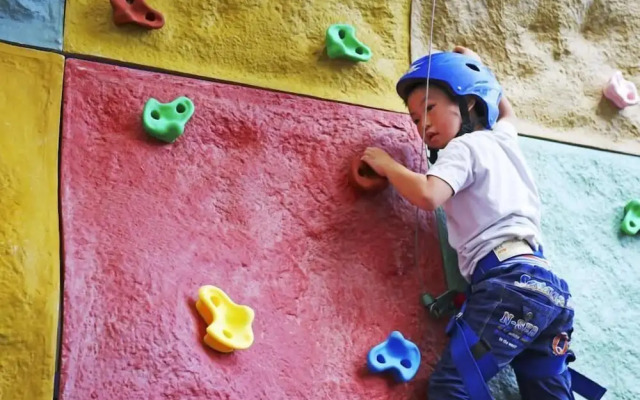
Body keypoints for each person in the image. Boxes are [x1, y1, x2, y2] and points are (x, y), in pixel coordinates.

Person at [359, 46, 605, 400]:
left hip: (507, 285)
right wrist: (482, 70)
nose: (422, 124)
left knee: (452, 386)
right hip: (549, 290)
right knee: (547, 392)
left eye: (429, 109)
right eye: (414, 119)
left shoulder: (463, 149)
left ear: (469, 103)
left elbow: (429, 195)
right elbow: (507, 112)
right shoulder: (503, 139)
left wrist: (387, 165)